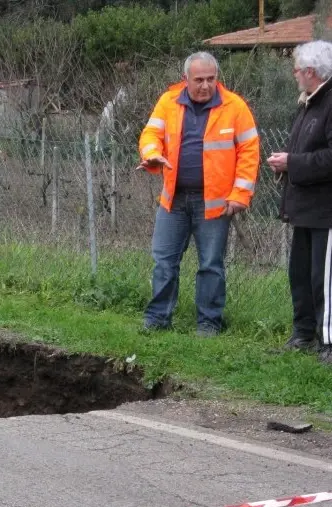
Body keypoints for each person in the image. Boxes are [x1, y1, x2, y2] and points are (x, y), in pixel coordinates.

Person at [137, 51, 260, 337]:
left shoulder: (235, 107)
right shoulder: (168, 102)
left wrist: (240, 195)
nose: (206, 86)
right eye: (199, 80)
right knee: (164, 262)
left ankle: (208, 324)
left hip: (214, 204)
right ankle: (157, 321)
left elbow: (249, 152)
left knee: (211, 266)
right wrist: (153, 155)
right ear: (185, 80)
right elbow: (150, 135)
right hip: (173, 199)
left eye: (211, 79)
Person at [268, 40, 332, 364]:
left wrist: (292, 163)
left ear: (310, 72)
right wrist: (289, 163)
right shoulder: (310, 101)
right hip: (305, 208)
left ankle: (331, 342)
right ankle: (303, 334)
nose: (294, 74)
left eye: (296, 69)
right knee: (302, 275)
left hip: (328, 211)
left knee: (326, 281)